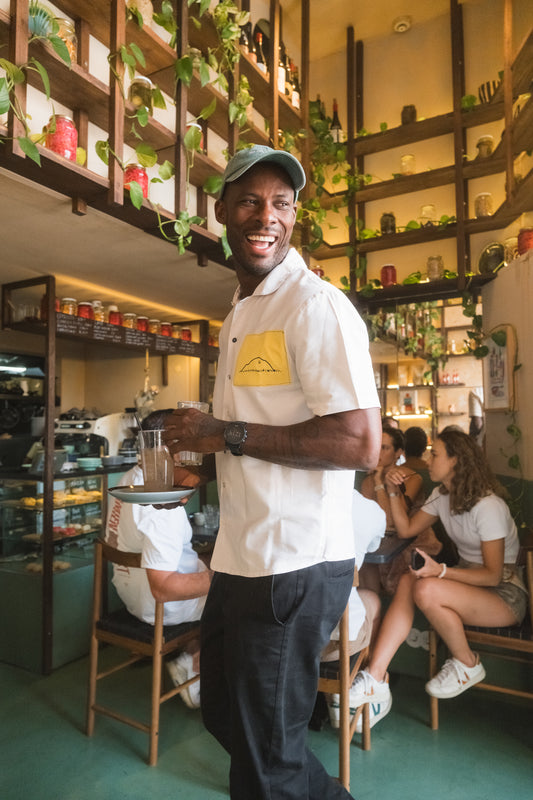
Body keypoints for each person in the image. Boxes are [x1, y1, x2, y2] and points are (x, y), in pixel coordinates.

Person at [163, 145, 381, 800]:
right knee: (230, 716)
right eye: (251, 201)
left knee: (266, 755)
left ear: (293, 219)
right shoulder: (241, 309)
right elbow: (257, 428)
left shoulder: (313, 306)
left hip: (292, 560)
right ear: (222, 210)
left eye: (281, 204)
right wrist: (209, 446)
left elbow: (359, 443)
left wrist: (225, 433)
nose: (267, 216)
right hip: (242, 553)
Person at [349, 429, 528, 719]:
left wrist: (441, 571)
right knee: (411, 580)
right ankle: (376, 677)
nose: (428, 459)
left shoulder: (488, 507)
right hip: (472, 588)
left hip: (505, 595)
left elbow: (493, 576)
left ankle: (467, 662)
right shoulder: (442, 496)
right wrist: (392, 489)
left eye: (436, 454)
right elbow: (406, 529)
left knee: (426, 588)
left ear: (456, 461)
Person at [105, 409, 212, 708]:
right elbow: (163, 588)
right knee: (239, 592)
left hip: (128, 594)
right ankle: (197, 663)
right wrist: (221, 578)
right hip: (161, 607)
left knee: (207, 560)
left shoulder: (128, 479)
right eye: (185, 445)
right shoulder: (159, 500)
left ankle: (187, 652)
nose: (191, 454)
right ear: (167, 448)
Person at [322, 491, 385, 732]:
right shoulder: (370, 511)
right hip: (331, 644)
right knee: (372, 599)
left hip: (279, 637)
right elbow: (374, 546)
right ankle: (350, 692)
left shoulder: (284, 498)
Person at [360, 426, 441, 596]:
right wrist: (375, 479)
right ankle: (373, 610)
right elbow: (367, 523)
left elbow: (389, 522)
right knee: (361, 561)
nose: (378, 452)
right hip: (383, 544)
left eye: (385, 447)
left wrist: (379, 484)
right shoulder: (368, 481)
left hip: (412, 544)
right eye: (376, 446)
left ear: (398, 453)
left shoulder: (412, 478)